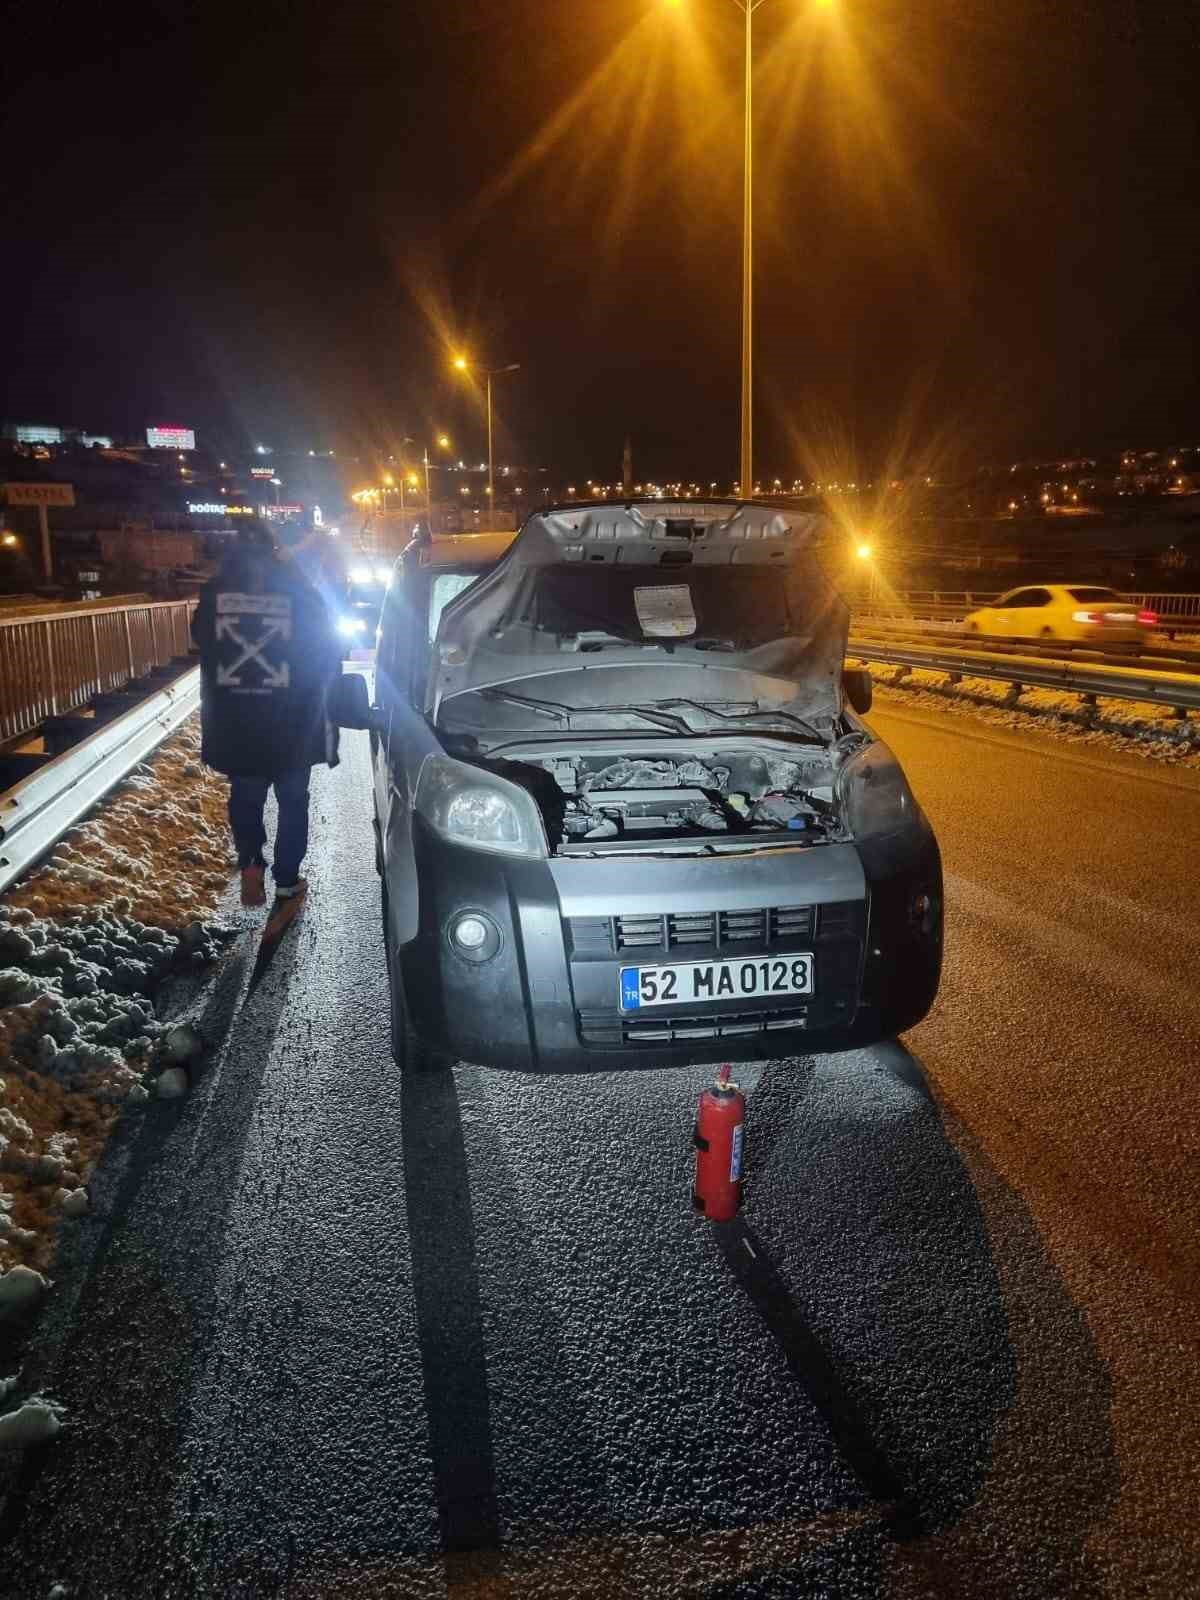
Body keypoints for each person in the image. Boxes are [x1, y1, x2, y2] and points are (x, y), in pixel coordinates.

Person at [192, 518, 341, 923]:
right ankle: (287, 881)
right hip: (291, 721)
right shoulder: (298, 592)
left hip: (238, 721)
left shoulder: (216, 595)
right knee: (293, 801)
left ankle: (251, 863)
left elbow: (202, 640)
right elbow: (325, 645)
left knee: (246, 797)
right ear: (276, 552)